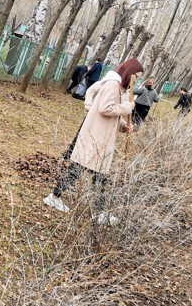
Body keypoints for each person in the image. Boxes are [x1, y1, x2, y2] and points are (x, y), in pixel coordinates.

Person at [44, 58, 144, 222]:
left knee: (88, 172)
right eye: (136, 76)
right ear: (128, 72)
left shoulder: (119, 88)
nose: (136, 80)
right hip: (96, 136)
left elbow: (112, 113)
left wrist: (124, 125)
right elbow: (105, 108)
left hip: (101, 136)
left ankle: (57, 197)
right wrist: (127, 108)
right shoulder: (112, 84)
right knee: (90, 173)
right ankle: (96, 212)